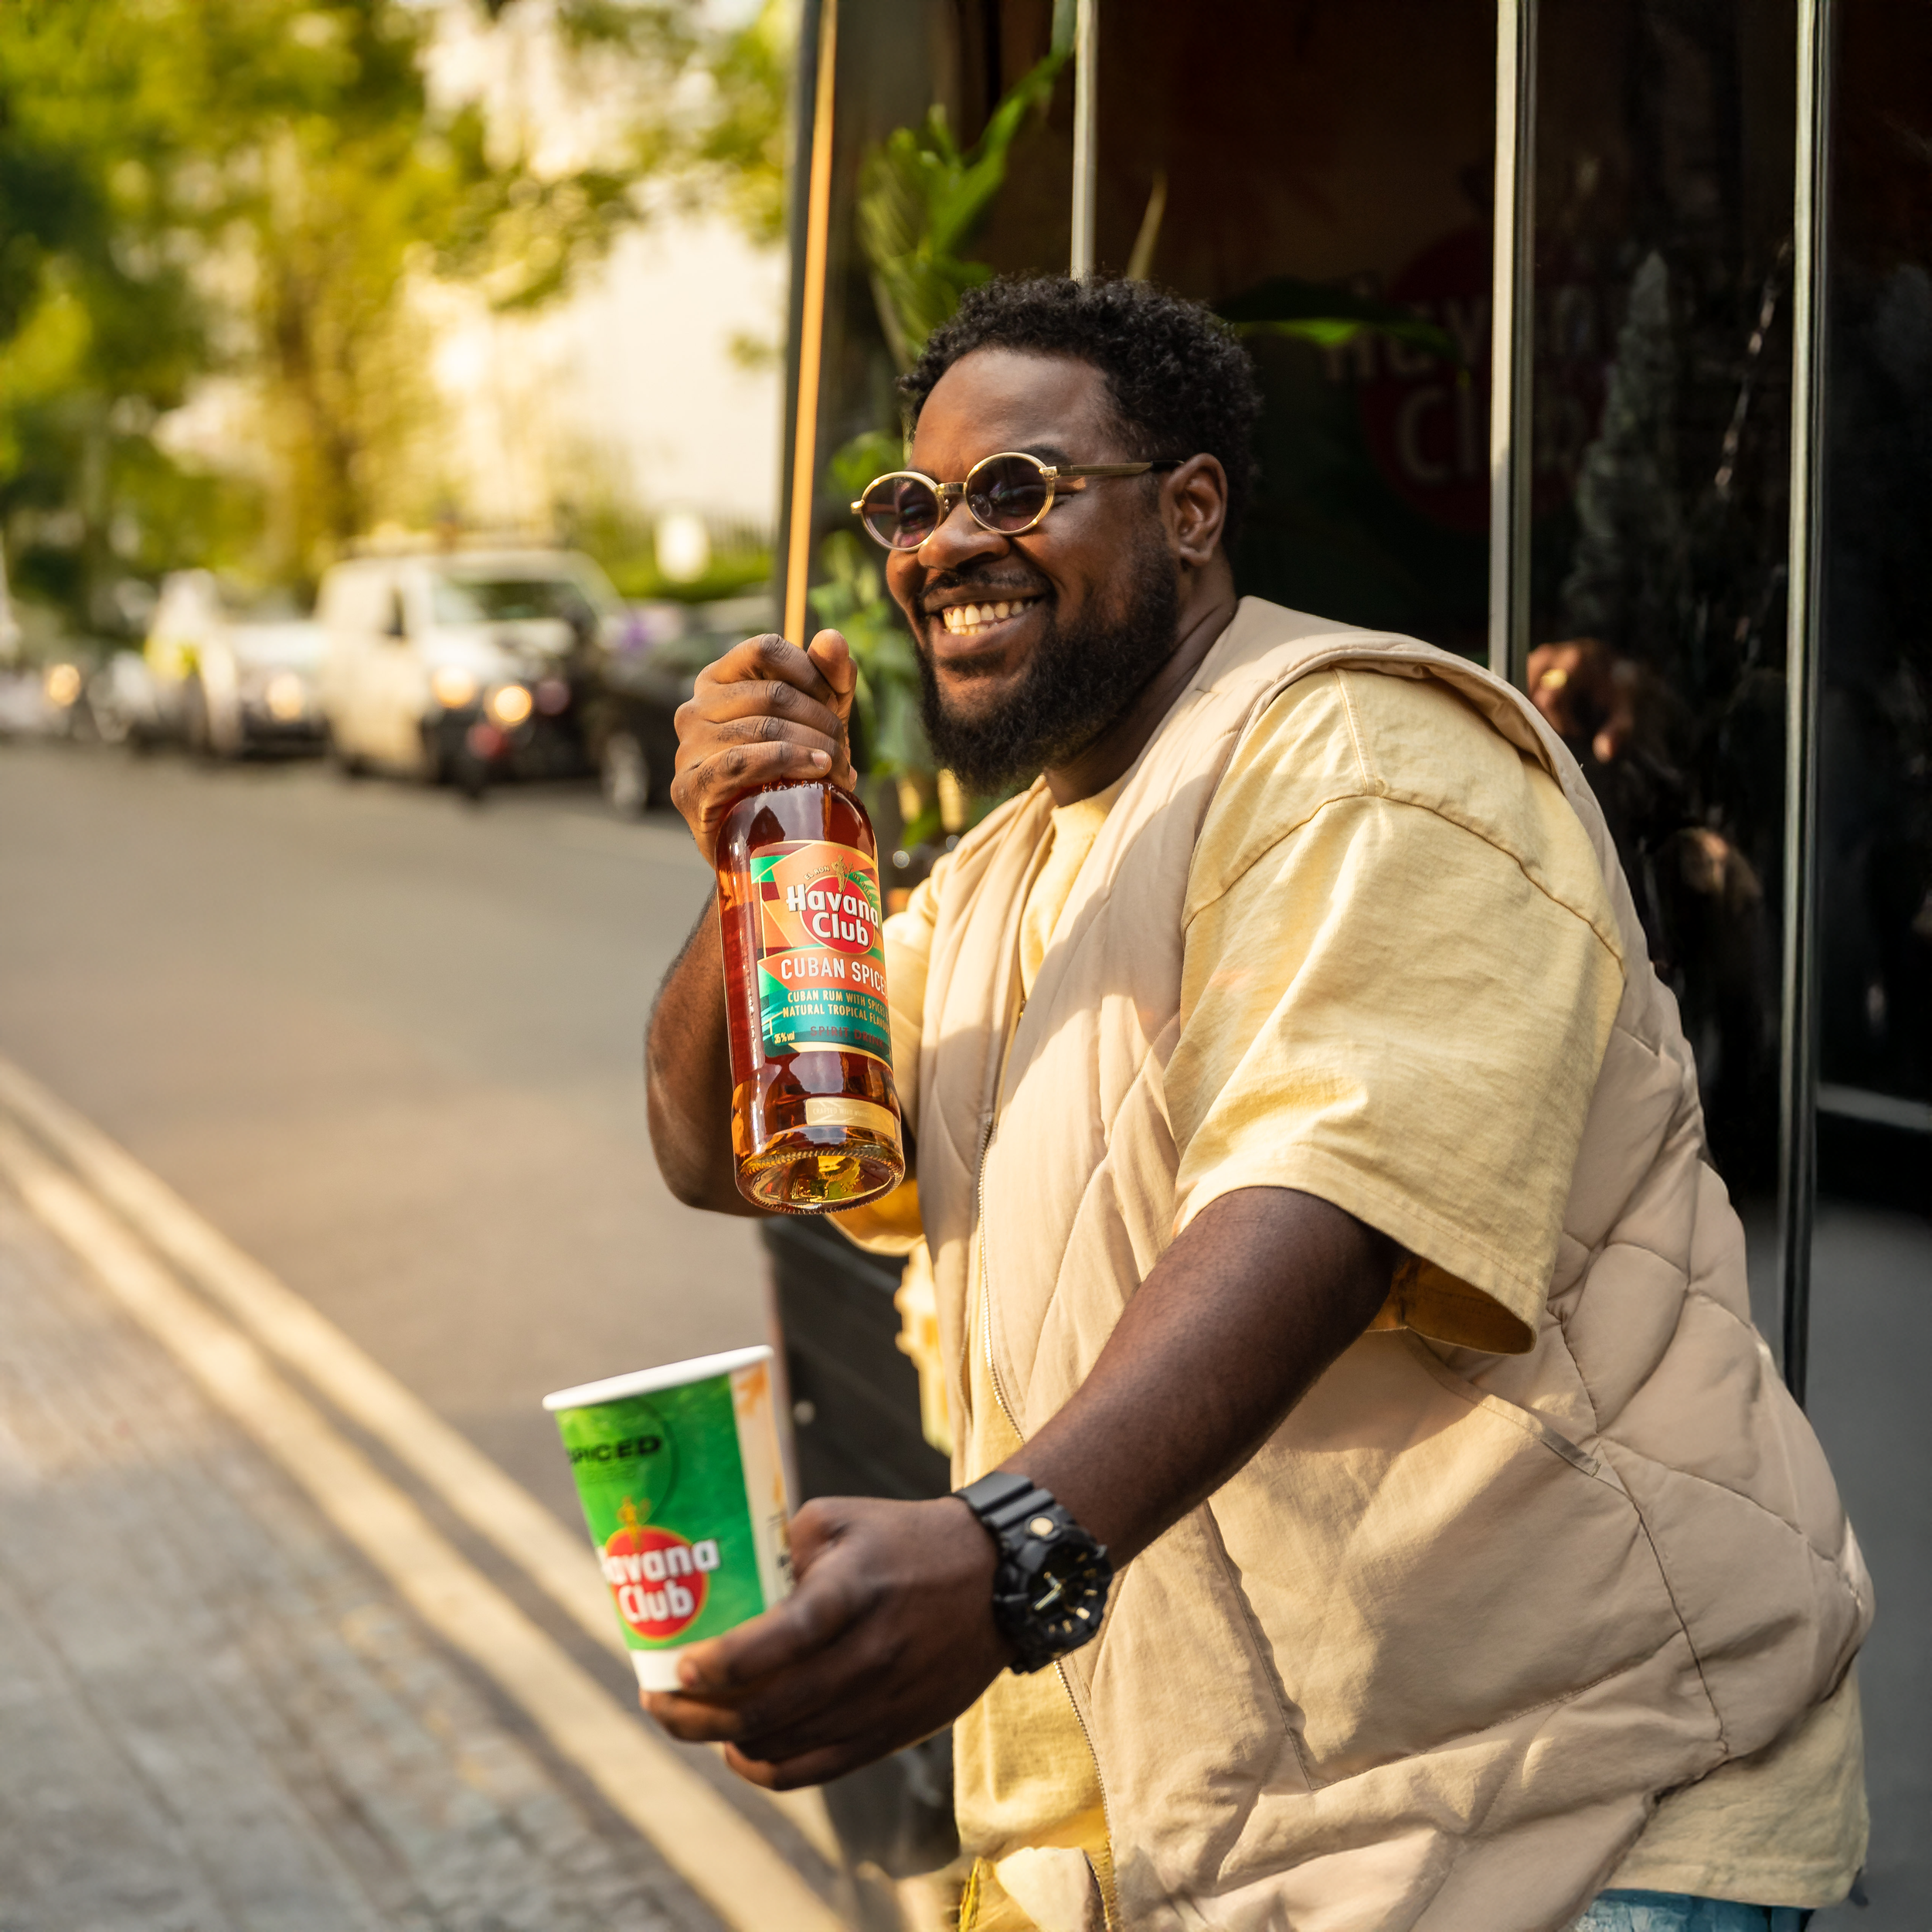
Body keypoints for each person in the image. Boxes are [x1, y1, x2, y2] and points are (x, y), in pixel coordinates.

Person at [642, 276, 1870, 1932]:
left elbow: (1330, 1194)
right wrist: (750, 852)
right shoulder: (1003, 875)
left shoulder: (1362, 755)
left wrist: (1006, 1547)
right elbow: (720, 1152)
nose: (942, 545)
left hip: (1563, 1825)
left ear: (1193, 509)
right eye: (912, 506)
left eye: (1016, 488)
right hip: (1237, 1859)